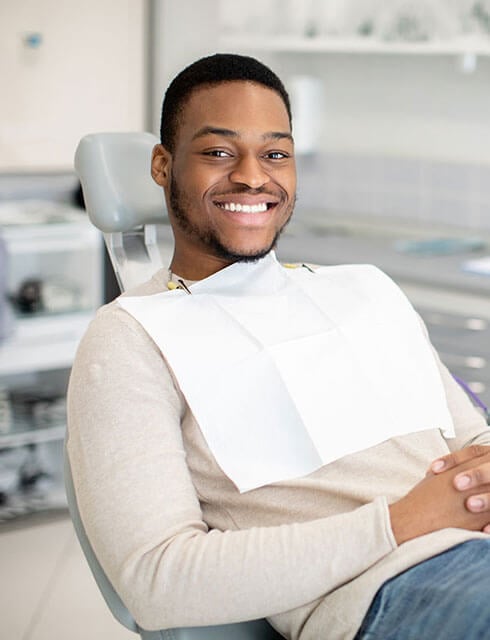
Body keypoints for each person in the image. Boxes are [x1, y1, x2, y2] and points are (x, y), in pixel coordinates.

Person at [67, 54, 490, 640]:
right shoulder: (132, 337)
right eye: (218, 152)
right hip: (406, 588)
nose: (251, 176)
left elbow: (474, 439)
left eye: (275, 154)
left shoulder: (365, 290)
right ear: (162, 167)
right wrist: (400, 523)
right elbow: (156, 580)